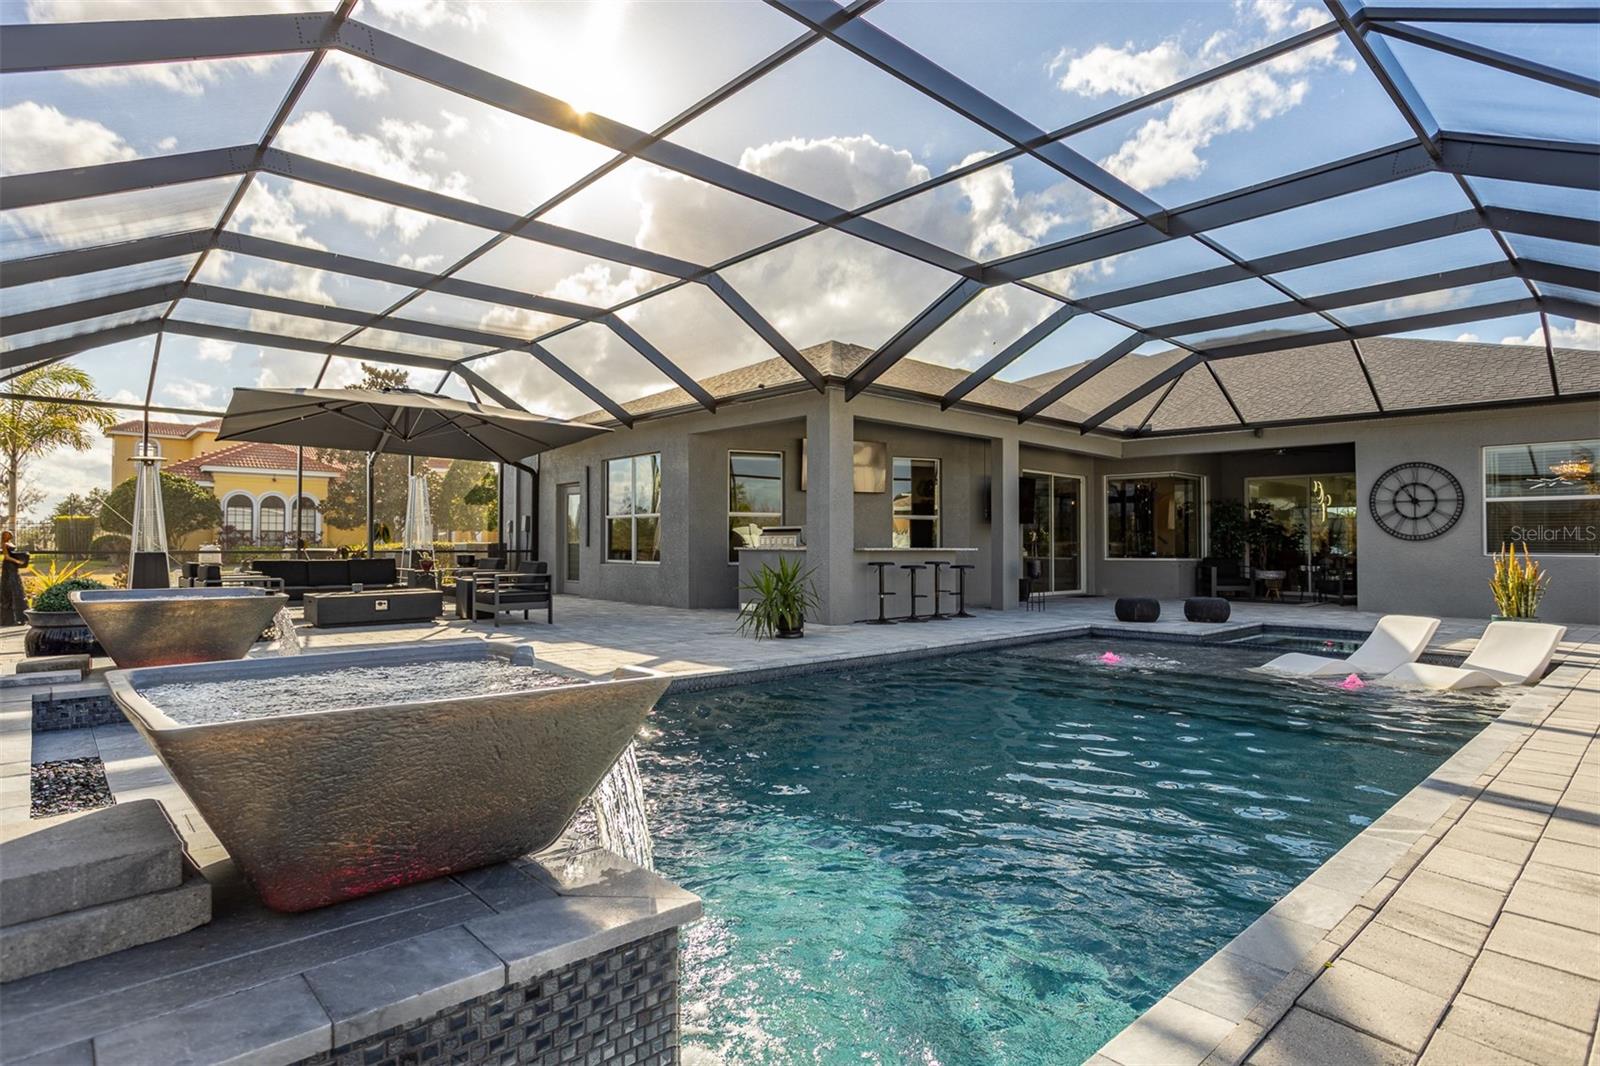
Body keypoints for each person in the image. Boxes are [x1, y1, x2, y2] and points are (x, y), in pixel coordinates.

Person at [1, 531, 29, 626]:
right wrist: (17, 561)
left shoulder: (11, 543)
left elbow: (13, 553)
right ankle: (10, 618)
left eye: (8, 534)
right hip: (8, 565)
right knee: (10, 585)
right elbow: (7, 557)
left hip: (14, 566)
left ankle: (21, 616)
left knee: (17, 586)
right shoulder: (4, 544)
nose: (8, 535)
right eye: (5, 534)